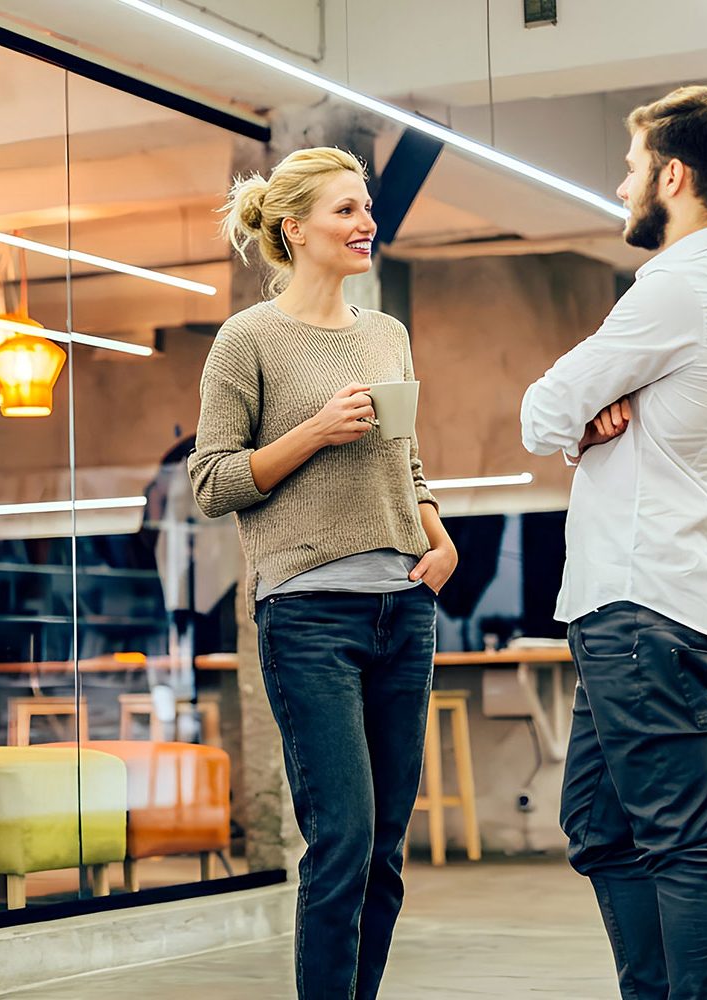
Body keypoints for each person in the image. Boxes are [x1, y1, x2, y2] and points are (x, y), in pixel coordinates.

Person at [188, 146, 458, 1000]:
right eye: (346, 210)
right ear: (294, 229)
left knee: (383, 848)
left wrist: (439, 538)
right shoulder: (247, 340)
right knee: (341, 838)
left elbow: (405, 462)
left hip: (403, 608)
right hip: (307, 615)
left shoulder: (386, 334)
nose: (365, 223)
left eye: (365, 208)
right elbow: (211, 482)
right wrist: (311, 432)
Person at [520, 86, 707, 1000]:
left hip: (640, 603)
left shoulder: (674, 287)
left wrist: (576, 419)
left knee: (677, 841)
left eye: (630, 169)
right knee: (597, 825)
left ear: (672, 175)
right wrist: (587, 422)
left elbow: (540, 410)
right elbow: (572, 419)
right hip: (648, 602)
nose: (622, 186)